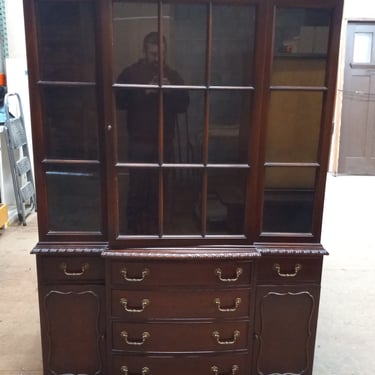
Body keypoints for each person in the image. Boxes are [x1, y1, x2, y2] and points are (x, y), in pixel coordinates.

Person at [116, 32, 189, 234]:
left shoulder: (172, 76)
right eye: (153, 54)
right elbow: (117, 101)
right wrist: (142, 92)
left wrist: (171, 91)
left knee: (160, 192)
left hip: (164, 143)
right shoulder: (131, 74)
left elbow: (184, 106)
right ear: (144, 52)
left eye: (160, 54)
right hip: (139, 142)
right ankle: (131, 235)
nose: (157, 59)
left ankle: (157, 234)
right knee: (137, 191)